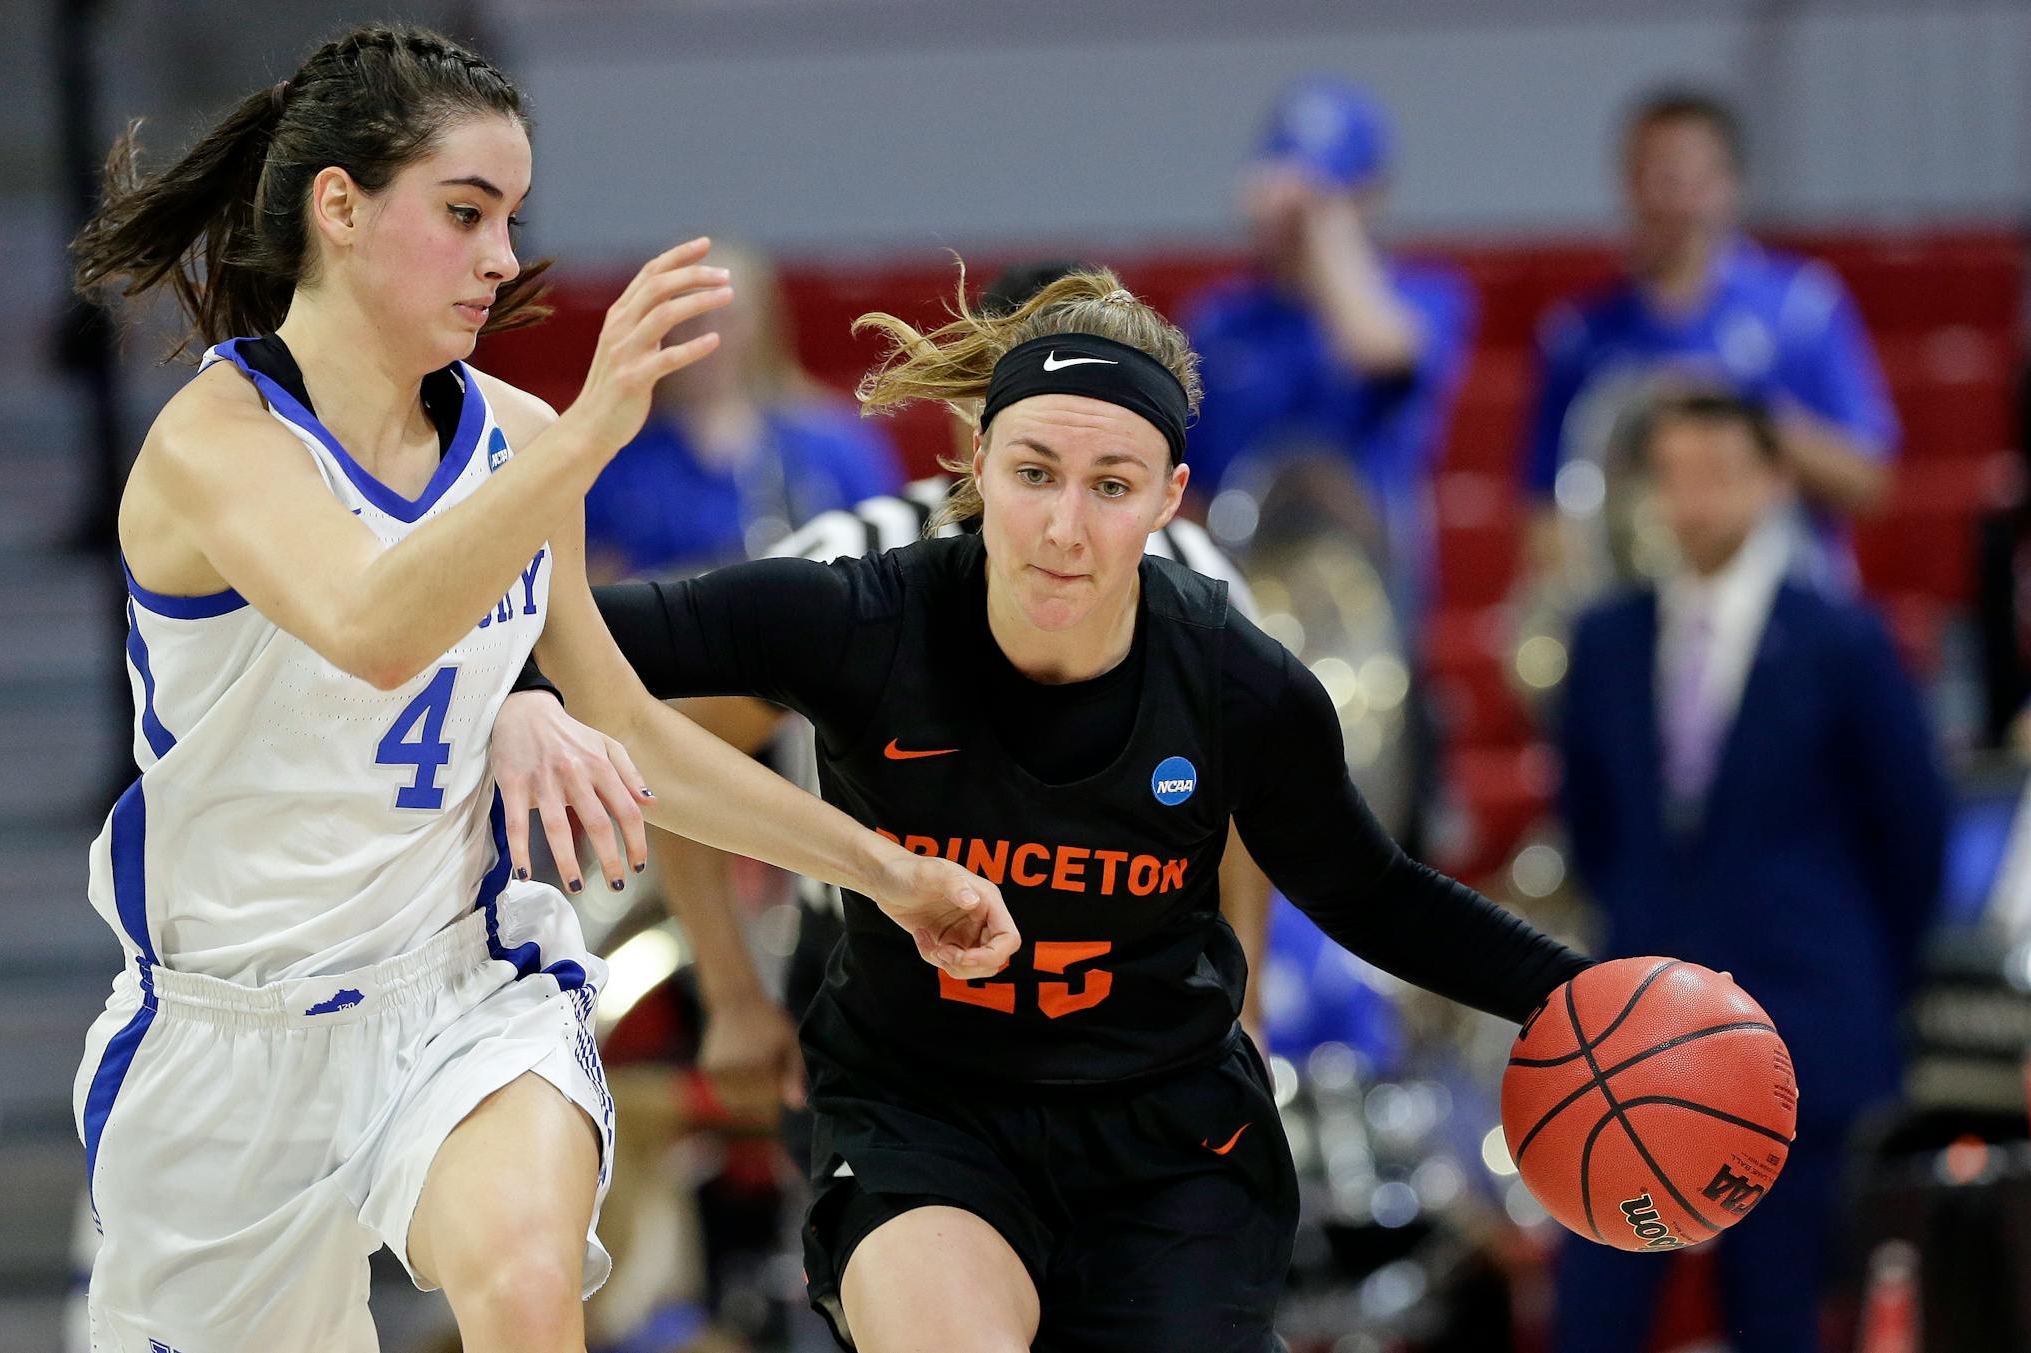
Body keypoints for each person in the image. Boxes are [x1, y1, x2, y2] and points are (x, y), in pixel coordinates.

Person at [64, 26, 1014, 1353]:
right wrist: (586, 444)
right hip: (227, 1034)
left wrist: (885, 871)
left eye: (510, 217)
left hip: (458, 982)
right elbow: (372, 625)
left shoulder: (513, 437)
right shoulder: (216, 442)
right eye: (465, 214)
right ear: (340, 206)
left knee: (523, 1284)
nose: (505, 258)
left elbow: (638, 733)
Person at [529, 267, 1590, 1352]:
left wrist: (1582, 993)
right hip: (922, 1106)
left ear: (1170, 496)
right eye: (1035, 473)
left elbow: (1372, 892)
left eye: (1112, 486)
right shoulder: (858, 609)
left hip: (1164, 1134)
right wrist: (560, 478)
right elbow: (549, 638)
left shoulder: (1236, 676)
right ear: (977, 461)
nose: (1064, 528)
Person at [1556, 390, 1946, 1353]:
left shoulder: (1842, 641)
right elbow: (1593, 826)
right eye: (1675, 475)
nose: (1695, 499)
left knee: (1779, 1316)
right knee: (1594, 1313)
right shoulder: (1606, 640)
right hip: (1633, 1038)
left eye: (1719, 472)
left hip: (1801, 1031)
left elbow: (1914, 831)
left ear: (1775, 482)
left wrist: (1853, 983)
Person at [1522, 89, 1899, 597]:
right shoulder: (1579, 336)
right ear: (1627, 185)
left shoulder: (1802, 310)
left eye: (1694, 178)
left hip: (1783, 609)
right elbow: (1546, 510)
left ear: (1732, 185)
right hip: (1636, 615)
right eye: (1656, 175)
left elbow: (1870, 481)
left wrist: (1742, 418)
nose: (1675, 198)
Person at [1183, 77, 1475, 627]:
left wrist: (1324, 220)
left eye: (1327, 190)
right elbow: (1191, 485)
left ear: (1371, 197)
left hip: (1370, 597)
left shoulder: (1427, 296)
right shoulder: (1220, 317)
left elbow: (1375, 349)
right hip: (1245, 595)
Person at [581, 243, 902, 582]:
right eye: (690, 320)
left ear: (763, 325)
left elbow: (889, 559)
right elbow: (591, 586)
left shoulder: (838, 442)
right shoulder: (620, 460)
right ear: (660, 331)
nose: (710, 337)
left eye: (728, 317)